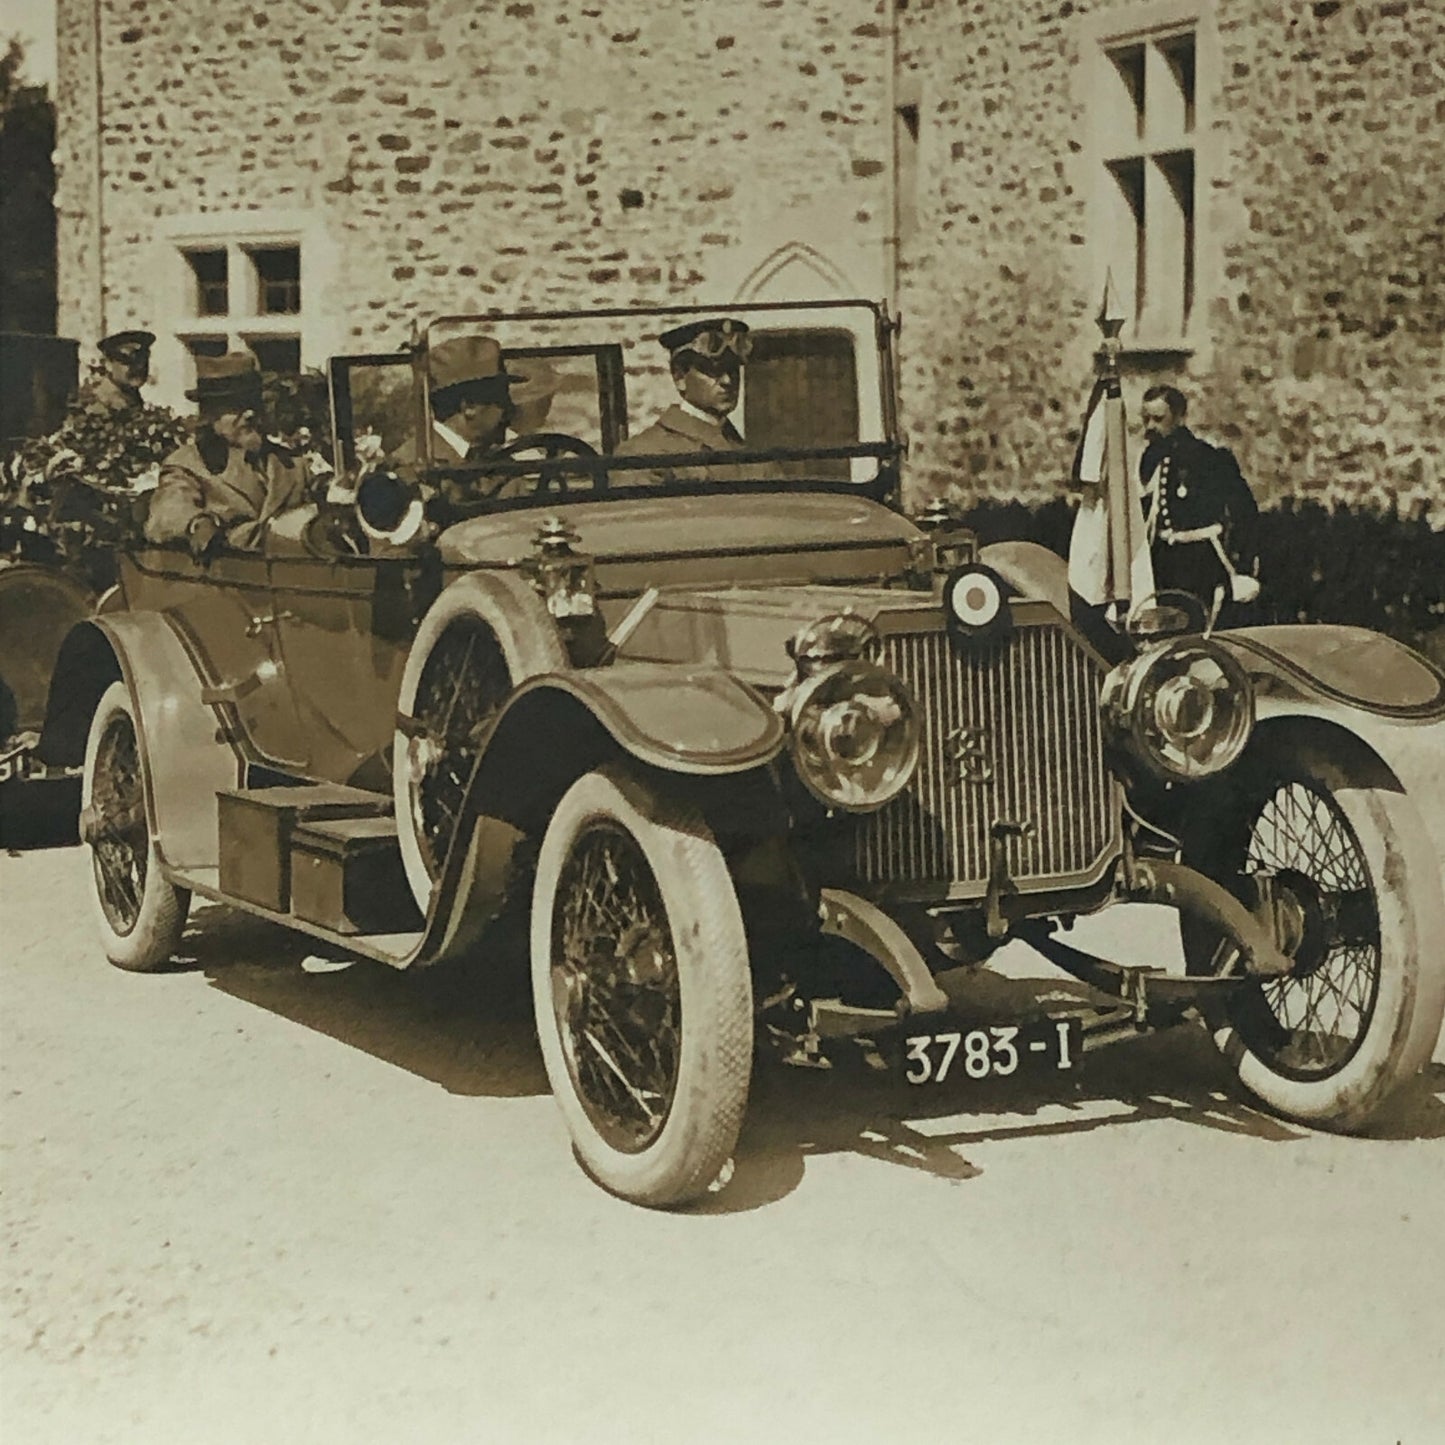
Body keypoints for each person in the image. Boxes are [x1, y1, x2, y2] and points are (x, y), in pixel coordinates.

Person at [144, 352, 306, 554]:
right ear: (210, 415)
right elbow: (169, 509)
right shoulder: (190, 464)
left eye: (254, 404)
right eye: (236, 406)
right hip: (227, 577)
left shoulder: (292, 464)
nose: (249, 414)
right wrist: (197, 523)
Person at [1138, 384, 1260, 625]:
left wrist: (1243, 567)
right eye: (1146, 419)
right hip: (1163, 563)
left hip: (1201, 563)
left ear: (1180, 417)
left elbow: (1245, 514)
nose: (1150, 426)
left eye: (1158, 419)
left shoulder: (1209, 459)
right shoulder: (1148, 461)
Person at [613, 317, 774, 485]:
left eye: (732, 369)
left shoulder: (749, 452)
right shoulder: (643, 454)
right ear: (680, 377)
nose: (727, 381)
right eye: (713, 369)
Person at [78, 330, 154, 416]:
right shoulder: (96, 403)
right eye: (126, 359)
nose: (139, 366)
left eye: (143, 358)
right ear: (107, 363)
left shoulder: (133, 399)